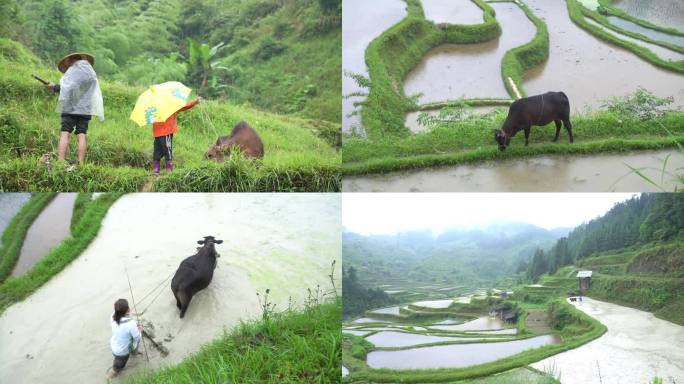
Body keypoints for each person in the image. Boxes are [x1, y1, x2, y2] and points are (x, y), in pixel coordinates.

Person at [46, 52, 104, 166]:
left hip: (70, 108)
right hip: (85, 109)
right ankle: (81, 162)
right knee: (82, 134)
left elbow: (67, 88)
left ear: (71, 61)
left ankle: (61, 161)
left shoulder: (73, 71)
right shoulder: (91, 73)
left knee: (65, 133)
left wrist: (54, 87)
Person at [151, 97, 201, 175]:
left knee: (157, 151)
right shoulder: (171, 106)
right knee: (168, 150)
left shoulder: (155, 108)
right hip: (166, 132)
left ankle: (156, 170)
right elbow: (185, 106)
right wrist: (195, 102)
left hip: (157, 133)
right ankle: (169, 170)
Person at [107, 299, 142, 378]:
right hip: (122, 352)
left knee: (119, 361)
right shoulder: (131, 323)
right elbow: (137, 338)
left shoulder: (112, 316)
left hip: (114, 345)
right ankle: (109, 378)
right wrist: (140, 330)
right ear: (128, 309)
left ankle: (134, 353)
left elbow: (123, 326)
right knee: (116, 368)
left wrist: (126, 313)